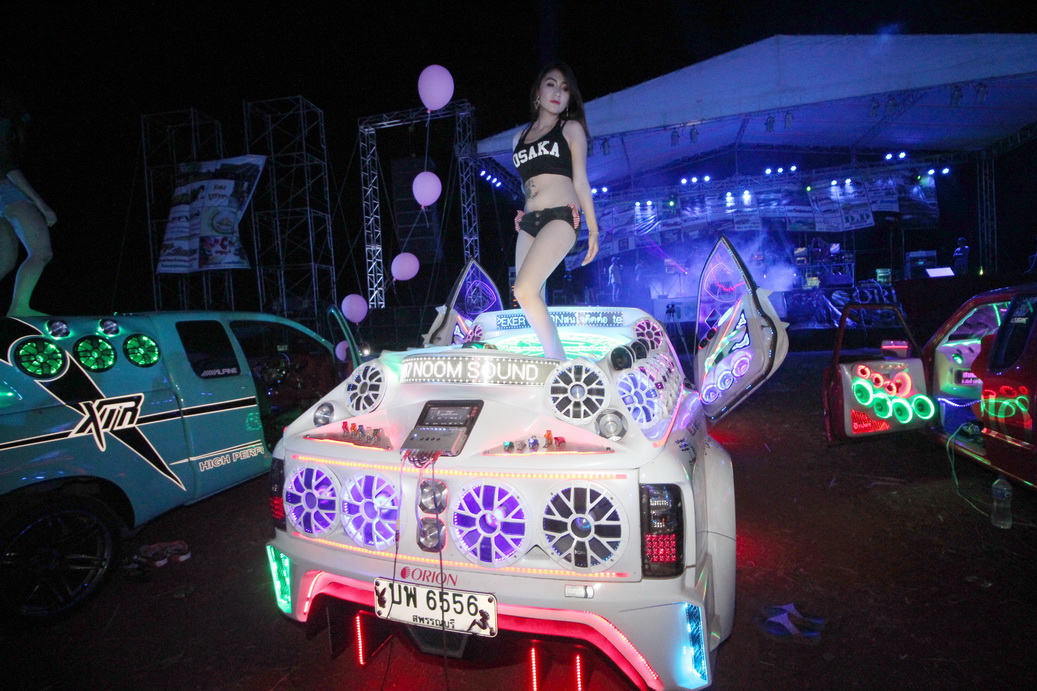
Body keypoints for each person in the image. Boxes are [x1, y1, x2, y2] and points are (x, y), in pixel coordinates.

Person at [512, 62, 599, 359]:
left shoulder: (570, 129)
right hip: (529, 221)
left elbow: (581, 181)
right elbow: (527, 182)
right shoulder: (518, 138)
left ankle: (557, 362)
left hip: (561, 216)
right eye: (551, 84)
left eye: (564, 89)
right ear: (538, 91)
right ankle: (553, 357)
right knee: (529, 296)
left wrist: (593, 229)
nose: (558, 93)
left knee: (524, 289)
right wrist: (526, 210)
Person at [1, 91, 57, 316]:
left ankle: (19, 307)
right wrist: (42, 206)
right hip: (8, 192)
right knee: (41, 252)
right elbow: (8, 167)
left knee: (4, 262)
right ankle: (19, 308)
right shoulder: (5, 123)